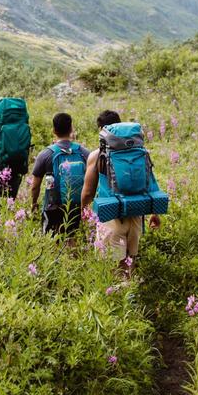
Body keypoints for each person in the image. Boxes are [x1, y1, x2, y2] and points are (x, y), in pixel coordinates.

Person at [80, 108, 161, 273]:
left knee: (113, 270)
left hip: (111, 217)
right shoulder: (140, 152)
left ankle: (117, 298)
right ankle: (129, 296)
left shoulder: (97, 155)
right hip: (136, 216)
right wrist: (155, 212)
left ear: (101, 130)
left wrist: (83, 211)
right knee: (129, 266)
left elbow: (88, 192)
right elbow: (149, 182)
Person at [30, 112, 88, 236]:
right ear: (71, 129)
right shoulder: (83, 152)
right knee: (72, 236)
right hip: (76, 204)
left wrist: (34, 203)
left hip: (53, 204)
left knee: (51, 238)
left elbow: (35, 185)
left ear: (54, 130)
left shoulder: (46, 154)